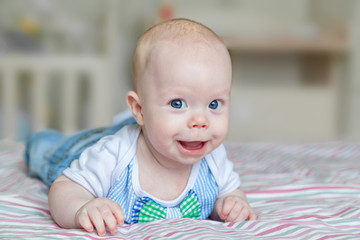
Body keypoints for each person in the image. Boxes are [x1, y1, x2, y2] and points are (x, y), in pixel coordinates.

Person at [30, 18, 255, 237]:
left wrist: (231, 204)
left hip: (150, 130)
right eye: (178, 103)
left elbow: (230, 191)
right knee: (49, 153)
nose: (200, 121)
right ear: (139, 109)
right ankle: (41, 142)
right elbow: (64, 187)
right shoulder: (113, 154)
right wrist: (80, 209)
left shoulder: (214, 159)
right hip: (79, 150)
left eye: (214, 104)